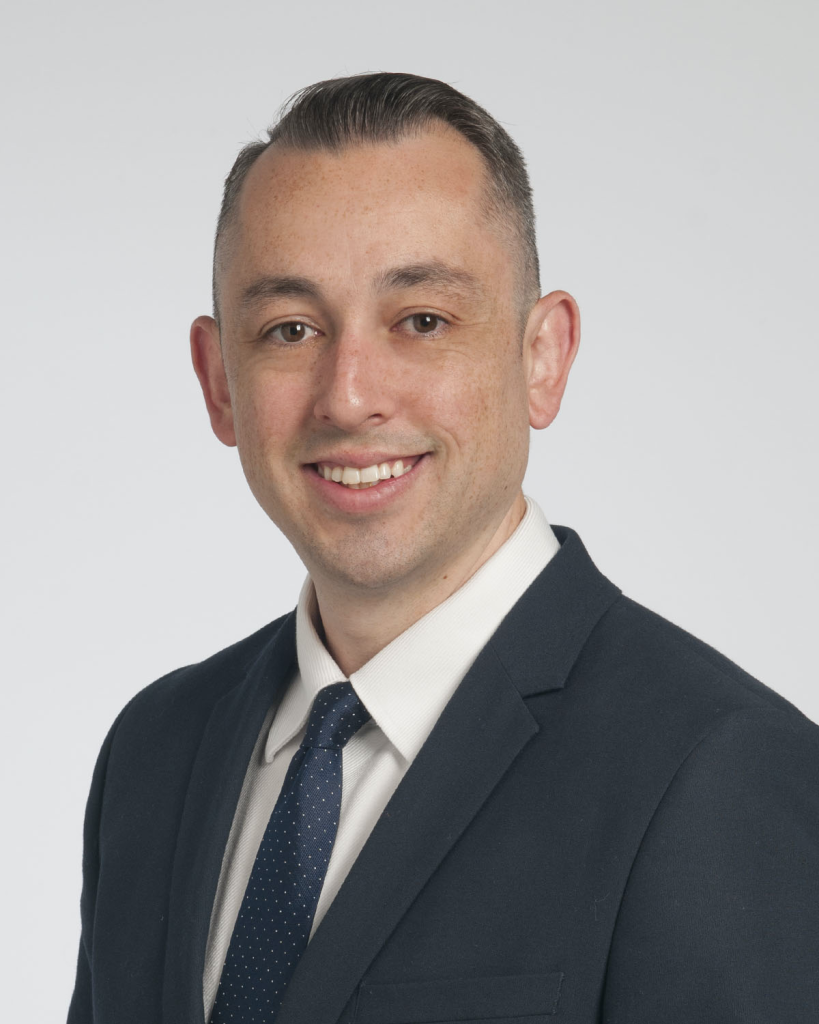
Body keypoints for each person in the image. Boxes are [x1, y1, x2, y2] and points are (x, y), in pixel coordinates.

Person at [67, 72, 819, 1024]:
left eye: (421, 321)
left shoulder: (719, 773)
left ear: (541, 357)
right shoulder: (154, 753)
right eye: (290, 329)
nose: (348, 394)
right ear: (220, 383)